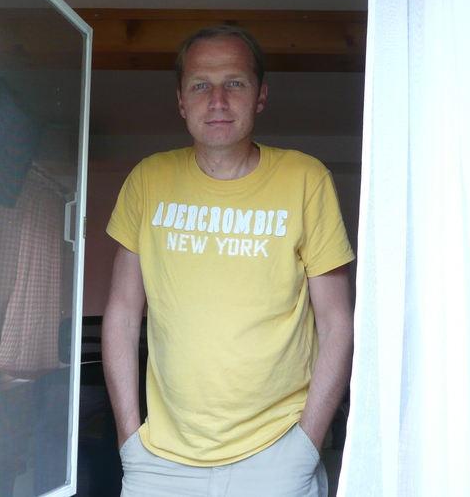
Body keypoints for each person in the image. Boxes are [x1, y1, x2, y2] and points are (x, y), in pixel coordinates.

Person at [102, 25, 355, 497]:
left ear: (260, 96)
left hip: (278, 455)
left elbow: (337, 322)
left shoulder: (306, 179)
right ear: (181, 101)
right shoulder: (147, 179)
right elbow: (121, 314)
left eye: (235, 83)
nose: (217, 100)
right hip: (159, 463)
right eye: (201, 85)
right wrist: (129, 440)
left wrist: (307, 443)